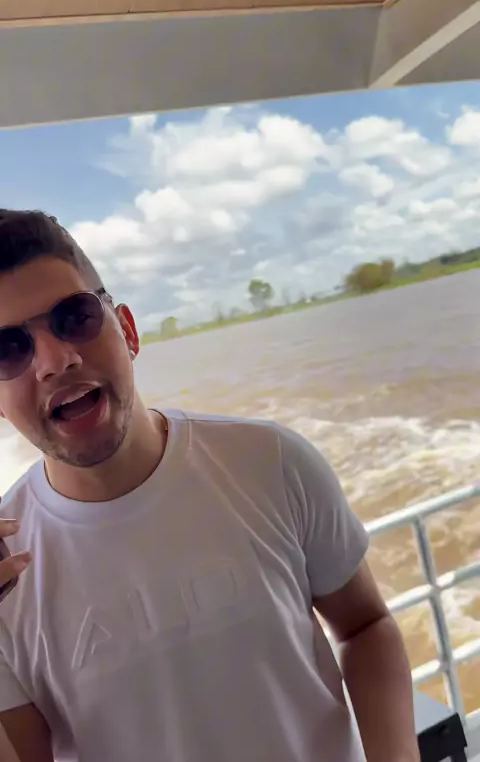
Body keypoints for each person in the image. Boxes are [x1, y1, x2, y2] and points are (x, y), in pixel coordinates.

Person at [0, 208, 419, 762]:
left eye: (75, 318)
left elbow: (366, 627)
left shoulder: (270, 462)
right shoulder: (4, 568)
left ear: (128, 330)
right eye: (8, 349)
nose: (56, 360)